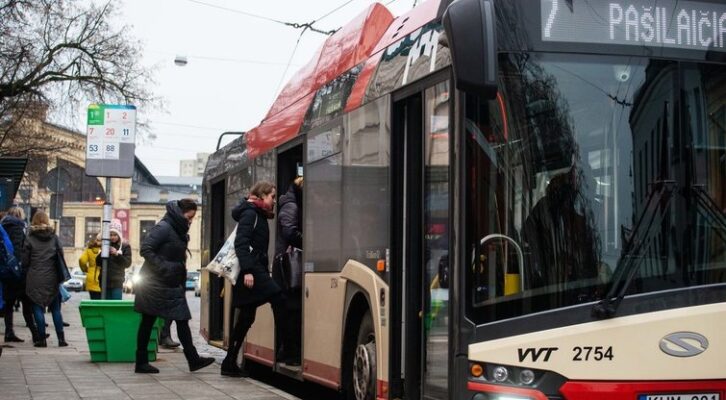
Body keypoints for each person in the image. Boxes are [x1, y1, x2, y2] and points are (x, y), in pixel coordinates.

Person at [133, 199, 214, 373]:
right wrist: (165, 267)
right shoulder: (164, 227)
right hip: (154, 282)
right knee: (148, 321)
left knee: (181, 319)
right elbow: (146, 249)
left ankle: (193, 359)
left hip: (170, 282)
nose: (190, 221)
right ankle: (141, 362)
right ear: (180, 213)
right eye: (189, 217)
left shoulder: (177, 229)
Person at [222, 181, 290, 377]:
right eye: (272, 197)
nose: (274, 201)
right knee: (278, 297)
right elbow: (241, 243)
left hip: (254, 269)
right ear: (261, 196)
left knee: (246, 318)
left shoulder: (256, 213)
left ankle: (228, 362)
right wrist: (249, 271)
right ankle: (286, 348)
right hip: (251, 271)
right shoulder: (250, 214)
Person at [23, 211, 66, 347]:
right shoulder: (54, 237)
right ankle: (61, 339)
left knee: (37, 308)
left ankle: (42, 339)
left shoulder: (30, 238)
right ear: (47, 221)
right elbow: (61, 255)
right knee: (56, 309)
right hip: (52, 277)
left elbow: (25, 261)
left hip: (34, 277)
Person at [273, 177, 303, 366]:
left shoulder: (291, 203)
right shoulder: (291, 206)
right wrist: (309, 239)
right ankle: (290, 353)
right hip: (288, 268)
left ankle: (287, 352)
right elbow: (290, 232)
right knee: (291, 312)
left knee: (291, 312)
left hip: (287, 268)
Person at [1, 207, 40, 343]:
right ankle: (35, 334)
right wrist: (21, 268)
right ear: (19, 215)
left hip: (6, 271)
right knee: (26, 304)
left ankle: (9, 332)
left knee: (9, 305)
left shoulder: (3, 226)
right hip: (18, 272)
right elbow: (18, 249)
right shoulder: (18, 227)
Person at [96, 219, 131, 300]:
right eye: (110, 235)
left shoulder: (125, 246)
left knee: (116, 303)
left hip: (117, 282)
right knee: (105, 304)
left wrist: (117, 254)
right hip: (104, 280)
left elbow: (127, 263)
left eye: (115, 235)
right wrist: (102, 253)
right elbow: (98, 263)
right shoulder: (104, 245)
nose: (112, 237)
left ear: (119, 235)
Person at [79, 234, 102, 300]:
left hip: (92, 278)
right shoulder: (106, 250)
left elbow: (82, 260)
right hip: (103, 278)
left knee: (94, 301)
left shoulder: (89, 250)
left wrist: (85, 269)